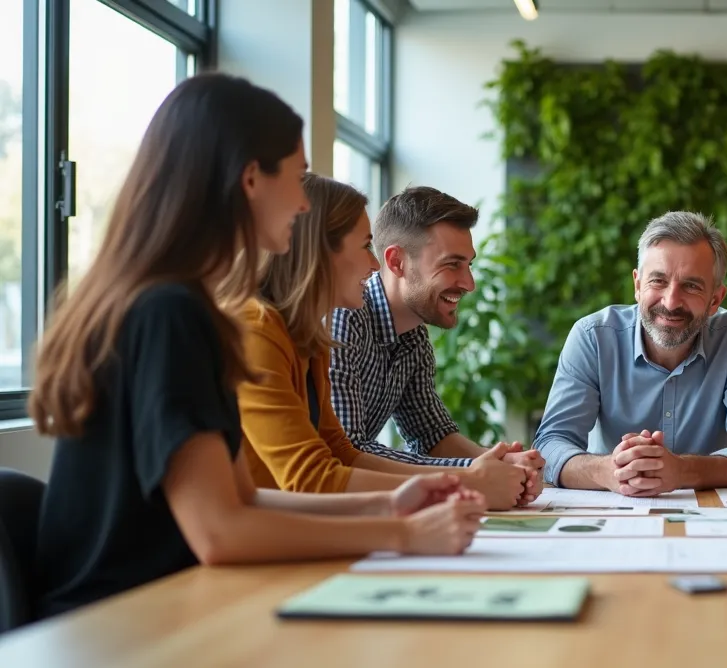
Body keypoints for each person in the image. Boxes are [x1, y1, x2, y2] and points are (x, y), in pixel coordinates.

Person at [28, 73, 484, 619]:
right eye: (296, 177)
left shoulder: (182, 307)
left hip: (157, 604)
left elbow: (240, 499)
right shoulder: (171, 314)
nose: (300, 202)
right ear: (250, 180)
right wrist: (403, 534)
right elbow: (219, 532)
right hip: (120, 620)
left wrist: (390, 504)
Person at [228, 173, 535, 511]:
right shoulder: (278, 327)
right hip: (255, 532)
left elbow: (346, 450)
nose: (373, 264)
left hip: (283, 524)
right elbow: (321, 472)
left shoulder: (308, 338)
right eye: (363, 246)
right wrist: (468, 480)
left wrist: (494, 467)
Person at [534, 211, 727, 494]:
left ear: (715, 299)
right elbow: (550, 445)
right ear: (637, 285)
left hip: (711, 517)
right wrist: (609, 471)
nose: (671, 301)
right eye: (658, 281)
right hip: (612, 511)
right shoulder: (593, 337)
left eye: (691, 285)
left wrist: (682, 471)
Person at [328, 186, 544, 481]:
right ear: (396, 262)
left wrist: (502, 461)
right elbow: (346, 451)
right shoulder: (345, 316)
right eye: (452, 264)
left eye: (469, 265)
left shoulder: (414, 337)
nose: (469, 283)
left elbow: (432, 437)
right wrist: (473, 473)